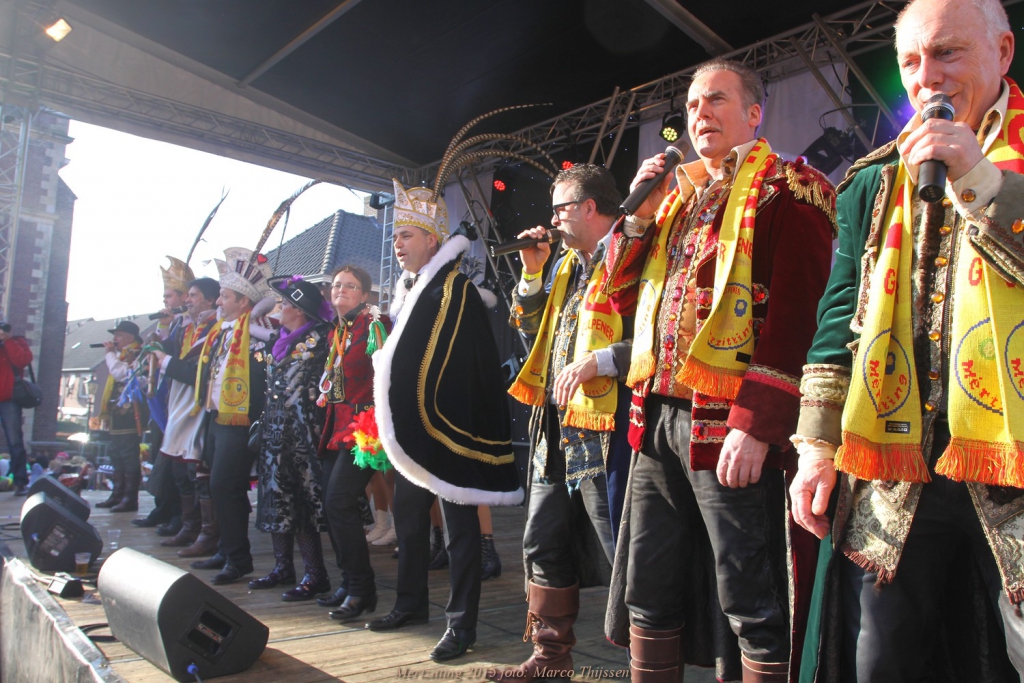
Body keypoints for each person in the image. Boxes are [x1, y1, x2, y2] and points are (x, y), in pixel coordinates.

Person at [789, 0, 1024, 680]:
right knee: (880, 661)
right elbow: (839, 317)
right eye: (911, 61)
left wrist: (980, 181)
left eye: (948, 52)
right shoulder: (874, 177)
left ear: (1003, 51)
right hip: (898, 463)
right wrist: (815, 448)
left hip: (1015, 464)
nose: (928, 78)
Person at [602, 58, 836, 682]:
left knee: (749, 594)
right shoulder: (674, 198)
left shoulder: (789, 189)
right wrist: (638, 216)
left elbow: (798, 317)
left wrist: (757, 423)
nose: (699, 114)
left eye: (716, 100)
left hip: (727, 423)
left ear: (754, 114)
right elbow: (620, 298)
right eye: (691, 106)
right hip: (655, 418)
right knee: (648, 586)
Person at [368, 180, 522, 662]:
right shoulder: (409, 290)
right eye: (396, 236)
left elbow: (467, 366)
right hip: (415, 428)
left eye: (407, 235)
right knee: (409, 519)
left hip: (450, 428)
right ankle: (410, 605)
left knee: (459, 531)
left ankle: (461, 625)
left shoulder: (456, 289)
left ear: (432, 240)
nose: (398, 244)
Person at [491, 163, 632, 681]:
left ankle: (649, 665)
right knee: (542, 542)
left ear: (590, 208)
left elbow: (662, 332)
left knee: (621, 548)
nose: (551, 220)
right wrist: (532, 272)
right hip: (555, 429)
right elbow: (533, 337)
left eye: (560, 209)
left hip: (608, 431)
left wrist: (603, 360)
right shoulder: (567, 264)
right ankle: (549, 659)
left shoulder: (634, 253)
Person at [186, 248, 273, 585]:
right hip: (216, 415)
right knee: (218, 484)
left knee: (226, 484)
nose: (219, 302)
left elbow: (270, 361)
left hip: (240, 418)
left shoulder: (257, 327)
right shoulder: (223, 329)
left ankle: (238, 559)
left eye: (224, 296)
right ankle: (226, 549)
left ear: (242, 301)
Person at [315, 265, 392, 619]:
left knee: (339, 501)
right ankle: (349, 582)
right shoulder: (339, 330)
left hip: (365, 428)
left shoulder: (375, 324)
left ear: (364, 294)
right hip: (337, 427)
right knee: (332, 506)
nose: (341, 290)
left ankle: (362, 589)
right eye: (336, 285)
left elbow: (387, 377)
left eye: (350, 286)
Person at [250, 275, 333, 601]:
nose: (279, 308)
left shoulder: (321, 339)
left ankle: (316, 574)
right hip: (275, 433)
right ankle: (282, 567)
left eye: (284, 303)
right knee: (275, 499)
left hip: (303, 434)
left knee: (302, 503)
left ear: (299, 310)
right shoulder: (279, 339)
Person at [152, 277, 220, 555]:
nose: (187, 300)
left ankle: (207, 533)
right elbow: (175, 356)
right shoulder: (188, 327)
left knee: (197, 471)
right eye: (187, 295)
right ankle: (189, 527)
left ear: (210, 300)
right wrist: (164, 330)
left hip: (200, 407)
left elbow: (196, 372)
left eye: (193, 295)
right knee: (180, 470)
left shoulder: (215, 328)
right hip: (181, 405)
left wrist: (164, 360)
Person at [133, 256, 194, 531]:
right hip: (165, 398)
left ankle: (179, 515)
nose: (166, 301)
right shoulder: (175, 322)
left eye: (169, 296)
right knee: (161, 451)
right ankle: (163, 507)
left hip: (182, 398)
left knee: (176, 459)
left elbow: (177, 356)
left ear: (183, 296)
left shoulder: (190, 324)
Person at [97, 320, 149, 512]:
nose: (115, 339)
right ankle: (117, 494)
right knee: (116, 454)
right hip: (117, 413)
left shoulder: (139, 353)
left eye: (118, 335)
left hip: (130, 412)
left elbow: (121, 373)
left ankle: (130, 498)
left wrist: (109, 354)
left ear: (130, 337)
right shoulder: (122, 354)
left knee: (128, 455)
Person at [0, 323, 32, 496]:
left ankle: (20, 482)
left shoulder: (17, 342)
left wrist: (8, 341)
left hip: (9, 399)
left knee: (15, 441)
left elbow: (22, 360)